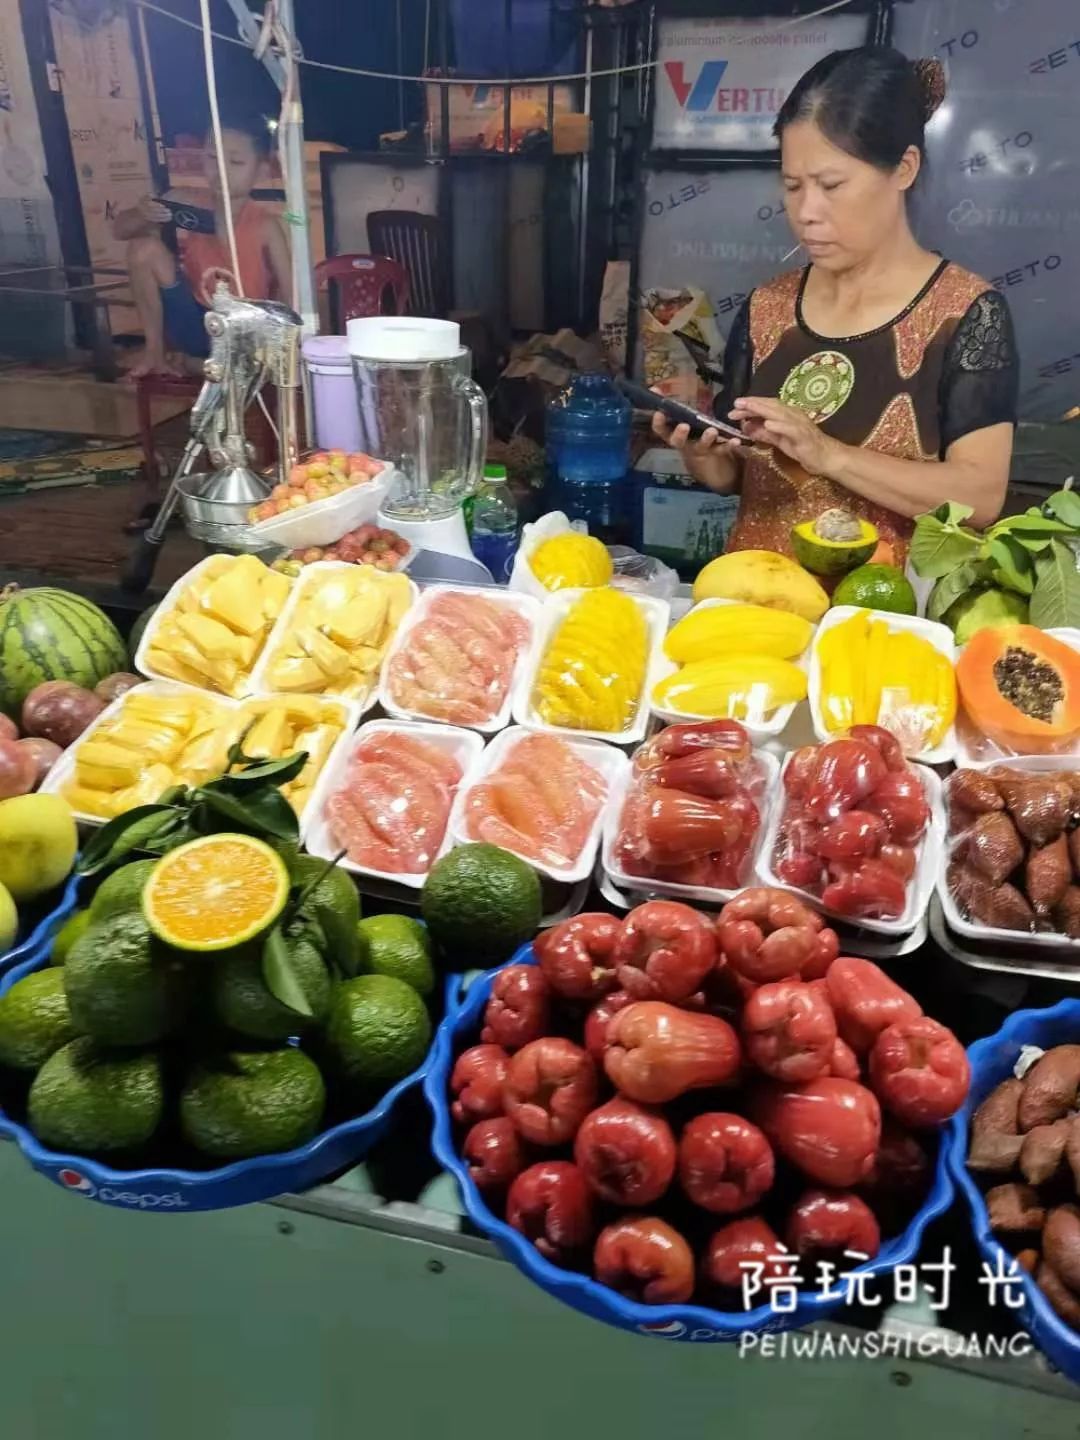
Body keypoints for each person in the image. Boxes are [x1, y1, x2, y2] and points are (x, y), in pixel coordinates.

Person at [651, 46, 1018, 564]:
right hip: (758, 607)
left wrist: (829, 455)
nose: (807, 212)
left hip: (888, 619)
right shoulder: (767, 307)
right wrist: (701, 456)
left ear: (904, 168)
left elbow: (980, 499)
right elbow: (735, 476)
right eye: (793, 186)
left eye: (832, 185)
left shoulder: (966, 314)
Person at [114, 112, 291, 379]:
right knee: (143, 249)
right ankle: (155, 353)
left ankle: (195, 363)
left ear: (261, 171)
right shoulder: (187, 201)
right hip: (195, 323)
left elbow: (291, 294)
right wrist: (142, 213)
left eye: (236, 162)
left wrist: (282, 349)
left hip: (242, 331)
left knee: (243, 355)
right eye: (212, 157)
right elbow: (120, 230)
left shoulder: (265, 225)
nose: (221, 170)